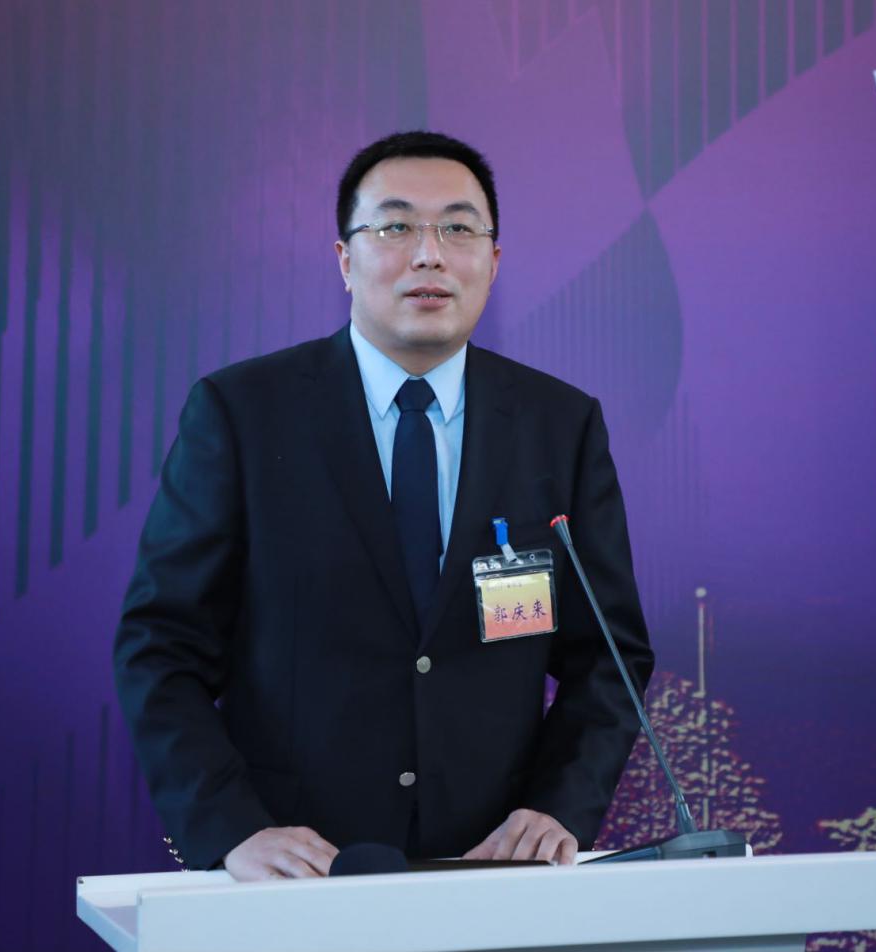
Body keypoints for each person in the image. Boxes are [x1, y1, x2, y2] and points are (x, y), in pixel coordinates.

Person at [113, 131, 653, 880]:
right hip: (296, 874)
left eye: (458, 229)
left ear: (493, 261)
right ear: (345, 259)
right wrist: (231, 828)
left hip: (494, 872)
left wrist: (559, 807)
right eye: (396, 226)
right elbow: (161, 646)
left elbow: (609, 657)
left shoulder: (558, 426)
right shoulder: (243, 415)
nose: (428, 255)